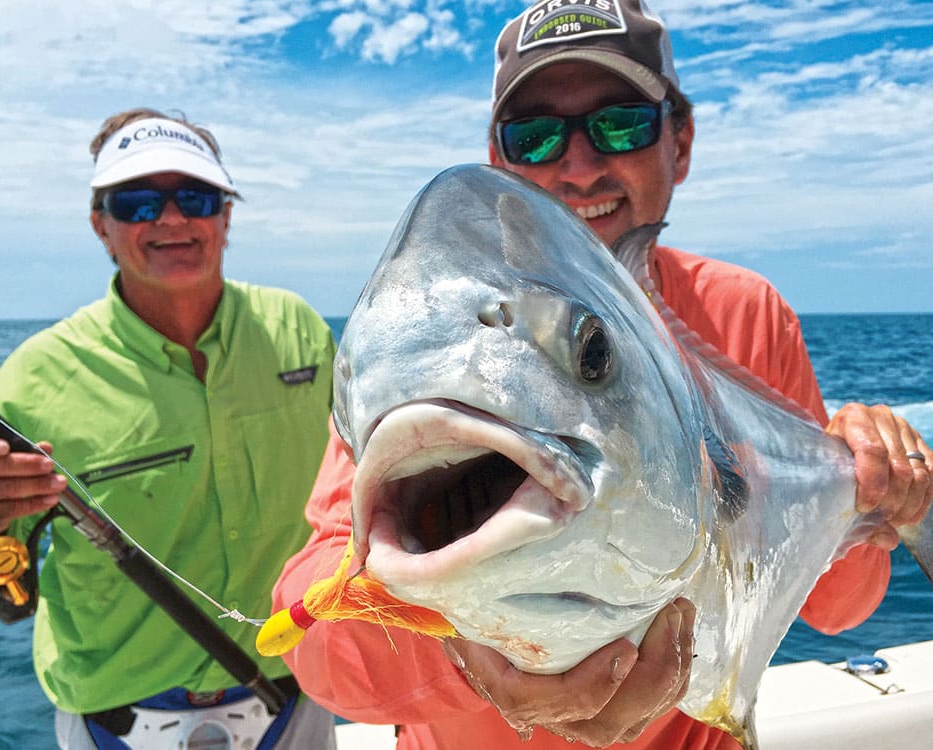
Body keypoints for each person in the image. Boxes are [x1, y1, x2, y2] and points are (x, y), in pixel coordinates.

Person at [272, 2, 933, 749]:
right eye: (536, 134)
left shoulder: (748, 312)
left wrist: (879, 491)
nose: (579, 166)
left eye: (620, 124)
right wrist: (474, 642)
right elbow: (314, 626)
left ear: (679, 142)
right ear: (501, 161)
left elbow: (840, 610)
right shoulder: (436, 347)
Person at [0, 108, 338, 749]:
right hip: (119, 724)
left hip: (297, 695)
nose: (172, 218)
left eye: (196, 197)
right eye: (138, 202)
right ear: (102, 224)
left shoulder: (301, 331)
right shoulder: (34, 376)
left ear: (226, 215)